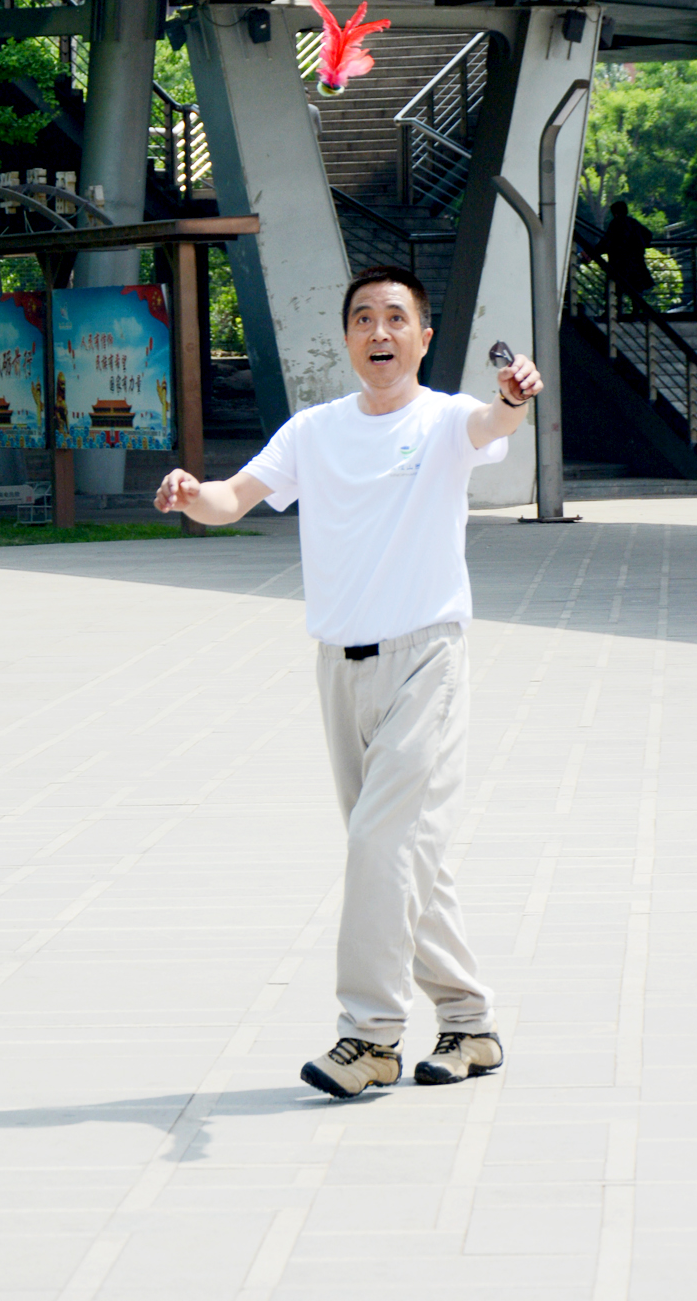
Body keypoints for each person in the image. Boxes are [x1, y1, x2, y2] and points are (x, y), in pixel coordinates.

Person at [155, 265, 542, 1097]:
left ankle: (369, 1037)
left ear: (423, 338)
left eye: (396, 318)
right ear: (346, 338)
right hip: (339, 667)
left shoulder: (446, 420)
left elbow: (494, 422)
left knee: (380, 847)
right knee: (401, 854)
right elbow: (233, 498)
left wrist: (513, 397)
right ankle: (470, 1025)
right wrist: (192, 494)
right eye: (363, 318)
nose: (379, 332)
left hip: (426, 660)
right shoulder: (314, 431)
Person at [594, 200, 654, 302]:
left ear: (614, 213)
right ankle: (636, 310)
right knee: (636, 292)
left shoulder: (615, 224)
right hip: (636, 264)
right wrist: (641, 246)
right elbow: (648, 234)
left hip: (619, 265)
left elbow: (605, 242)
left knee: (615, 291)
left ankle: (615, 310)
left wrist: (593, 253)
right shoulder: (633, 223)